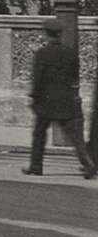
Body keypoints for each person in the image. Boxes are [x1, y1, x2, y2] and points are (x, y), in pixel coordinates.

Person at [22, 18, 97, 178]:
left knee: (39, 133)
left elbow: (38, 79)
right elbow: (75, 76)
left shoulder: (42, 54)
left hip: (46, 101)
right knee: (76, 137)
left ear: (47, 35)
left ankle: (36, 166)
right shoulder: (70, 53)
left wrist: (33, 97)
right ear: (60, 34)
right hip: (66, 100)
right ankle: (89, 165)